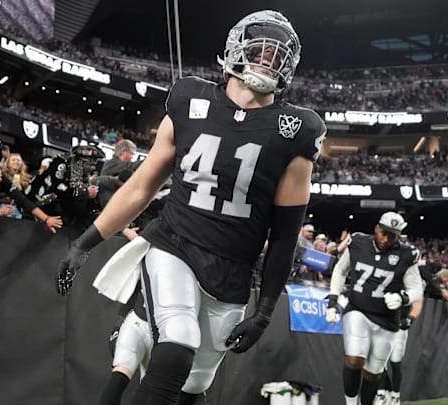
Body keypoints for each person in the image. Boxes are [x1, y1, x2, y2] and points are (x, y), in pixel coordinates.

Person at [55, 9, 325, 405]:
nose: (268, 62)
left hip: (233, 270)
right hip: (175, 245)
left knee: (192, 386)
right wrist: (84, 243)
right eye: (261, 51)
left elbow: (285, 235)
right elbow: (141, 187)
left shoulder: (297, 129)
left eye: (277, 57)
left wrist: (264, 310)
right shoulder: (190, 98)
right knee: (177, 342)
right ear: (236, 49)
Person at [326, 212, 423, 405]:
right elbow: (340, 270)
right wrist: (333, 300)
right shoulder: (359, 243)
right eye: (384, 233)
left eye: (393, 235)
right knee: (354, 359)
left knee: (373, 373)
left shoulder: (406, 254)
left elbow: (416, 290)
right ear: (377, 228)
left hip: (387, 320)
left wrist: (402, 297)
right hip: (358, 309)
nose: (387, 239)